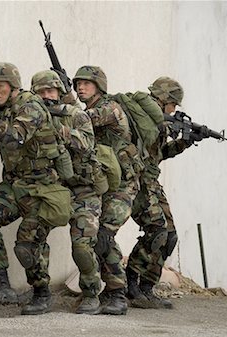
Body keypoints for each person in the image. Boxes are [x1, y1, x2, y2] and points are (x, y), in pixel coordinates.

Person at [0, 62, 72, 315]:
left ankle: (42, 293)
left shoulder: (31, 106)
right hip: (14, 184)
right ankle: (3, 287)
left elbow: (14, 139)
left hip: (41, 187)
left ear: (13, 86)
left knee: (27, 244)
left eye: (0, 86)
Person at [30, 70, 108, 314]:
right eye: (41, 92)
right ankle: (40, 292)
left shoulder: (77, 115)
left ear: (60, 92)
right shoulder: (32, 118)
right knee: (32, 236)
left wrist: (59, 130)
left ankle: (91, 293)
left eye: (51, 91)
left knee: (82, 245)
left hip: (85, 190)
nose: (47, 96)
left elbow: (86, 144)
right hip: (55, 189)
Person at [72, 66, 144, 315]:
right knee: (94, 236)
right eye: (77, 84)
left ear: (99, 86)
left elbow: (84, 120)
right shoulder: (86, 110)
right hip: (105, 183)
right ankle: (109, 291)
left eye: (86, 83)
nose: (81, 87)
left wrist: (59, 107)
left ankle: (118, 295)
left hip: (125, 185)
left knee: (104, 235)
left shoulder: (110, 108)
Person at [126, 76, 203, 309]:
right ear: (164, 99)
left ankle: (148, 287)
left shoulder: (160, 121)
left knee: (170, 236)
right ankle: (131, 282)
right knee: (157, 230)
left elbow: (159, 154)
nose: (175, 109)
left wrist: (185, 142)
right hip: (137, 183)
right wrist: (167, 126)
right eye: (174, 104)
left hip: (152, 183)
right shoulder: (142, 116)